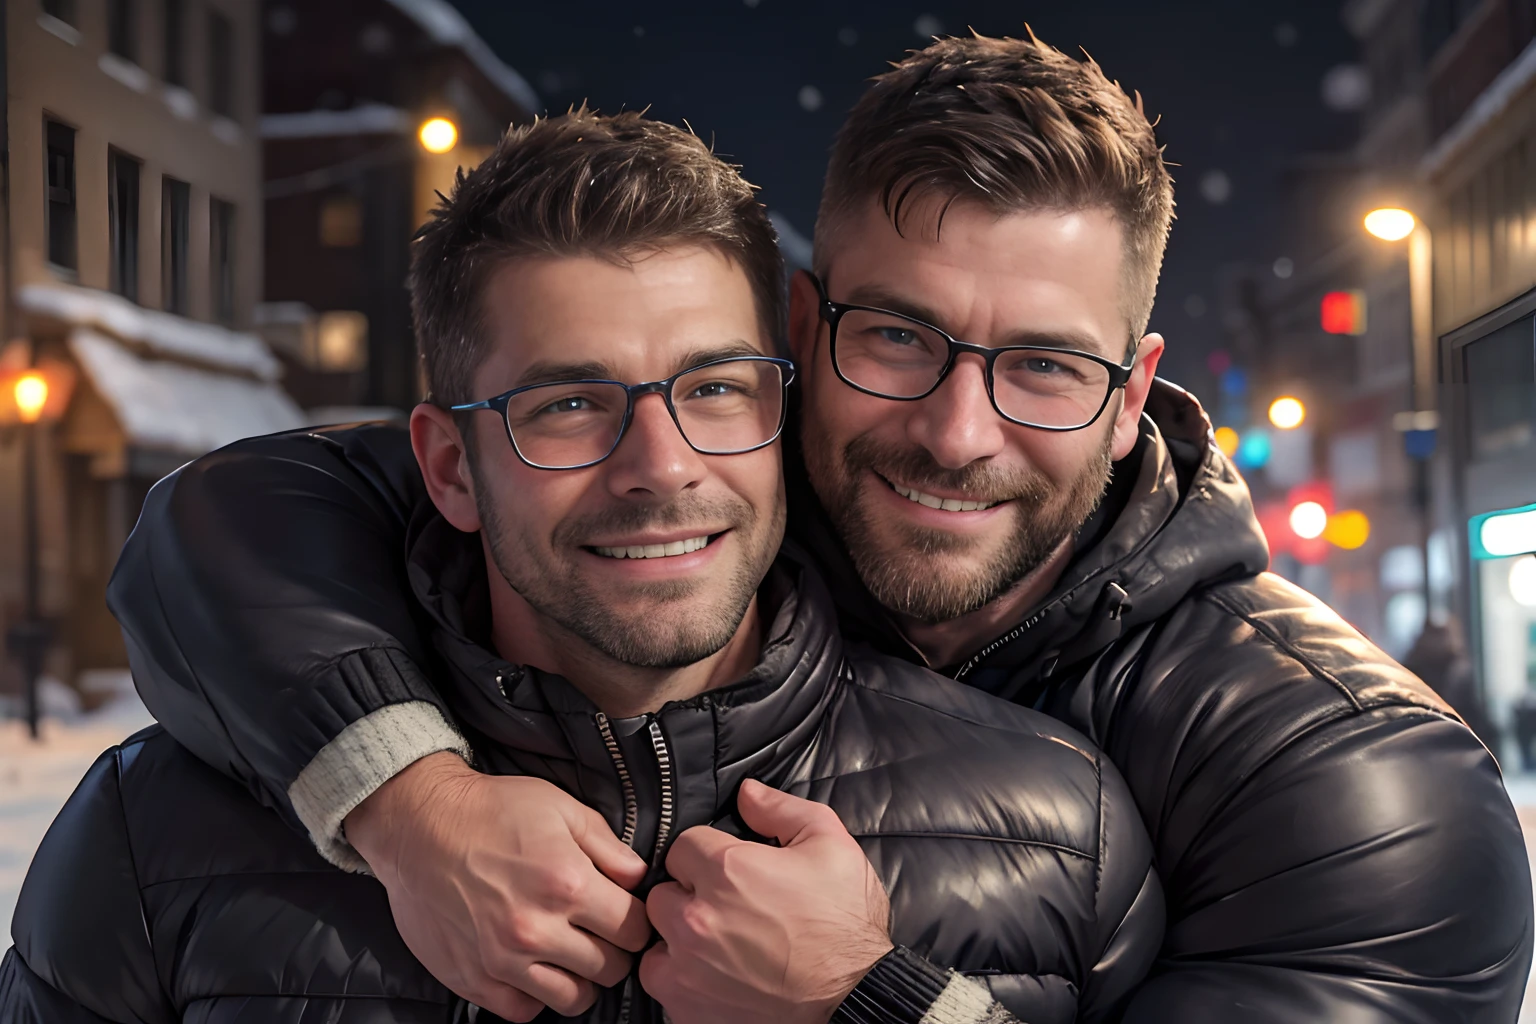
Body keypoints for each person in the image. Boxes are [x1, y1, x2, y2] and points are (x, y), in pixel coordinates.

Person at [90, 30, 1533, 1024]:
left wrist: (872, 998)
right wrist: (410, 807)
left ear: (1132, 390)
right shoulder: (712, 493)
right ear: (799, 331)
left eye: (1044, 366)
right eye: (898, 338)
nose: (956, 432)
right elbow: (232, 517)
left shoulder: (1363, 791)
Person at [1, 108, 1162, 1024]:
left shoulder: (1065, 831)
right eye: (568, 404)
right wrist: (409, 813)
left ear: (781, 407)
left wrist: (871, 1001)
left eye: (714, 388)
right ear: (450, 465)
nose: (660, 467)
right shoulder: (158, 841)